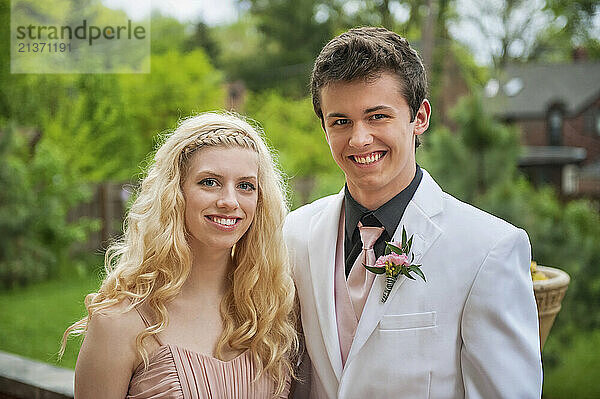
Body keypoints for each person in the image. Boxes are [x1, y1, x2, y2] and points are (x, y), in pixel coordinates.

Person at [284, 27, 542, 398]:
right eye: (340, 121)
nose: (358, 139)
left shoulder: (490, 249)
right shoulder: (296, 234)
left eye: (377, 116)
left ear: (419, 117)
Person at [61, 112, 299, 398]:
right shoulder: (119, 323)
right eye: (209, 182)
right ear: (176, 192)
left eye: (246, 186)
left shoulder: (271, 313)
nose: (229, 201)